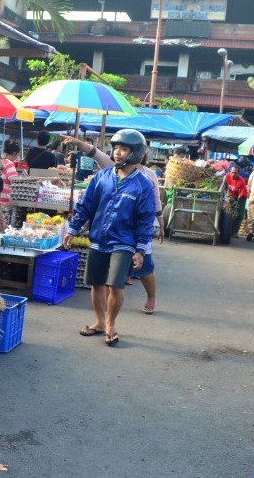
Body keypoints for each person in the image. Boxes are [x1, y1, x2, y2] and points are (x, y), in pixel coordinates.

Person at [63, 129, 155, 346]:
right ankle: (98, 321)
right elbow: (86, 207)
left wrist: (140, 249)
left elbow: (145, 219)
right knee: (96, 283)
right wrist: (72, 229)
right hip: (98, 240)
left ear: (135, 153)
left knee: (115, 285)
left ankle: (110, 324)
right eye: (115, 148)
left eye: (123, 149)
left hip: (124, 243)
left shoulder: (142, 185)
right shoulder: (102, 177)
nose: (117, 153)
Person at [224, 164, 249, 236]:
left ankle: (234, 232)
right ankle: (228, 230)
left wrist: (236, 204)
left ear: (238, 173)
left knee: (239, 215)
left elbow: (241, 195)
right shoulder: (227, 176)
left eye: (235, 173)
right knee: (229, 213)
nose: (233, 174)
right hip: (231, 196)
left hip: (241, 198)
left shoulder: (241, 181)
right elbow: (225, 187)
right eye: (232, 172)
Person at [0, 140, 21, 213]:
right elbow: (14, 181)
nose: (17, 158)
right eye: (17, 155)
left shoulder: (0, 161)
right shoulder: (9, 164)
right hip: (5, 201)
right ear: (14, 153)